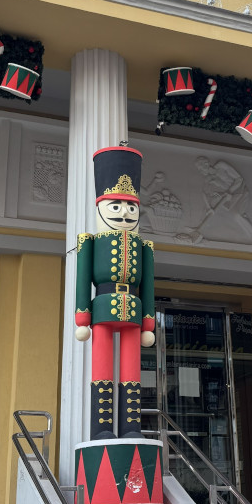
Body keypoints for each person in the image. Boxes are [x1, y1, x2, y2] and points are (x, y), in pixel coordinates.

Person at [74, 146, 156, 440]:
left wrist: (149, 323)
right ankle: (102, 428)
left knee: (132, 372)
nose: (124, 213)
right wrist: (82, 318)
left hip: (132, 308)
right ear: (100, 207)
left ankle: (132, 426)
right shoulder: (90, 242)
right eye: (116, 206)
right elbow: (82, 280)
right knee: (102, 371)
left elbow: (148, 286)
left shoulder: (144, 247)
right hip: (103, 308)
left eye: (131, 208)